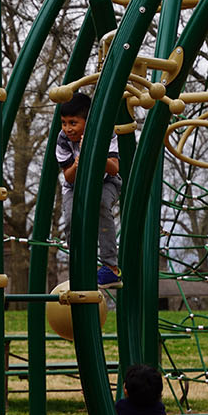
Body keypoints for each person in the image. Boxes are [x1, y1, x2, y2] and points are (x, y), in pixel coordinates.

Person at [54, 92, 123, 286]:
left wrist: (94, 152)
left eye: (73, 123)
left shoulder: (105, 132)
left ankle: (111, 267)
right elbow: (68, 175)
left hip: (106, 182)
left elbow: (114, 167)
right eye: (64, 123)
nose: (68, 128)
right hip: (74, 186)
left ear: (88, 120)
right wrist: (77, 164)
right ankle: (81, 265)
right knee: (70, 219)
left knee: (100, 204)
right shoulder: (63, 139)